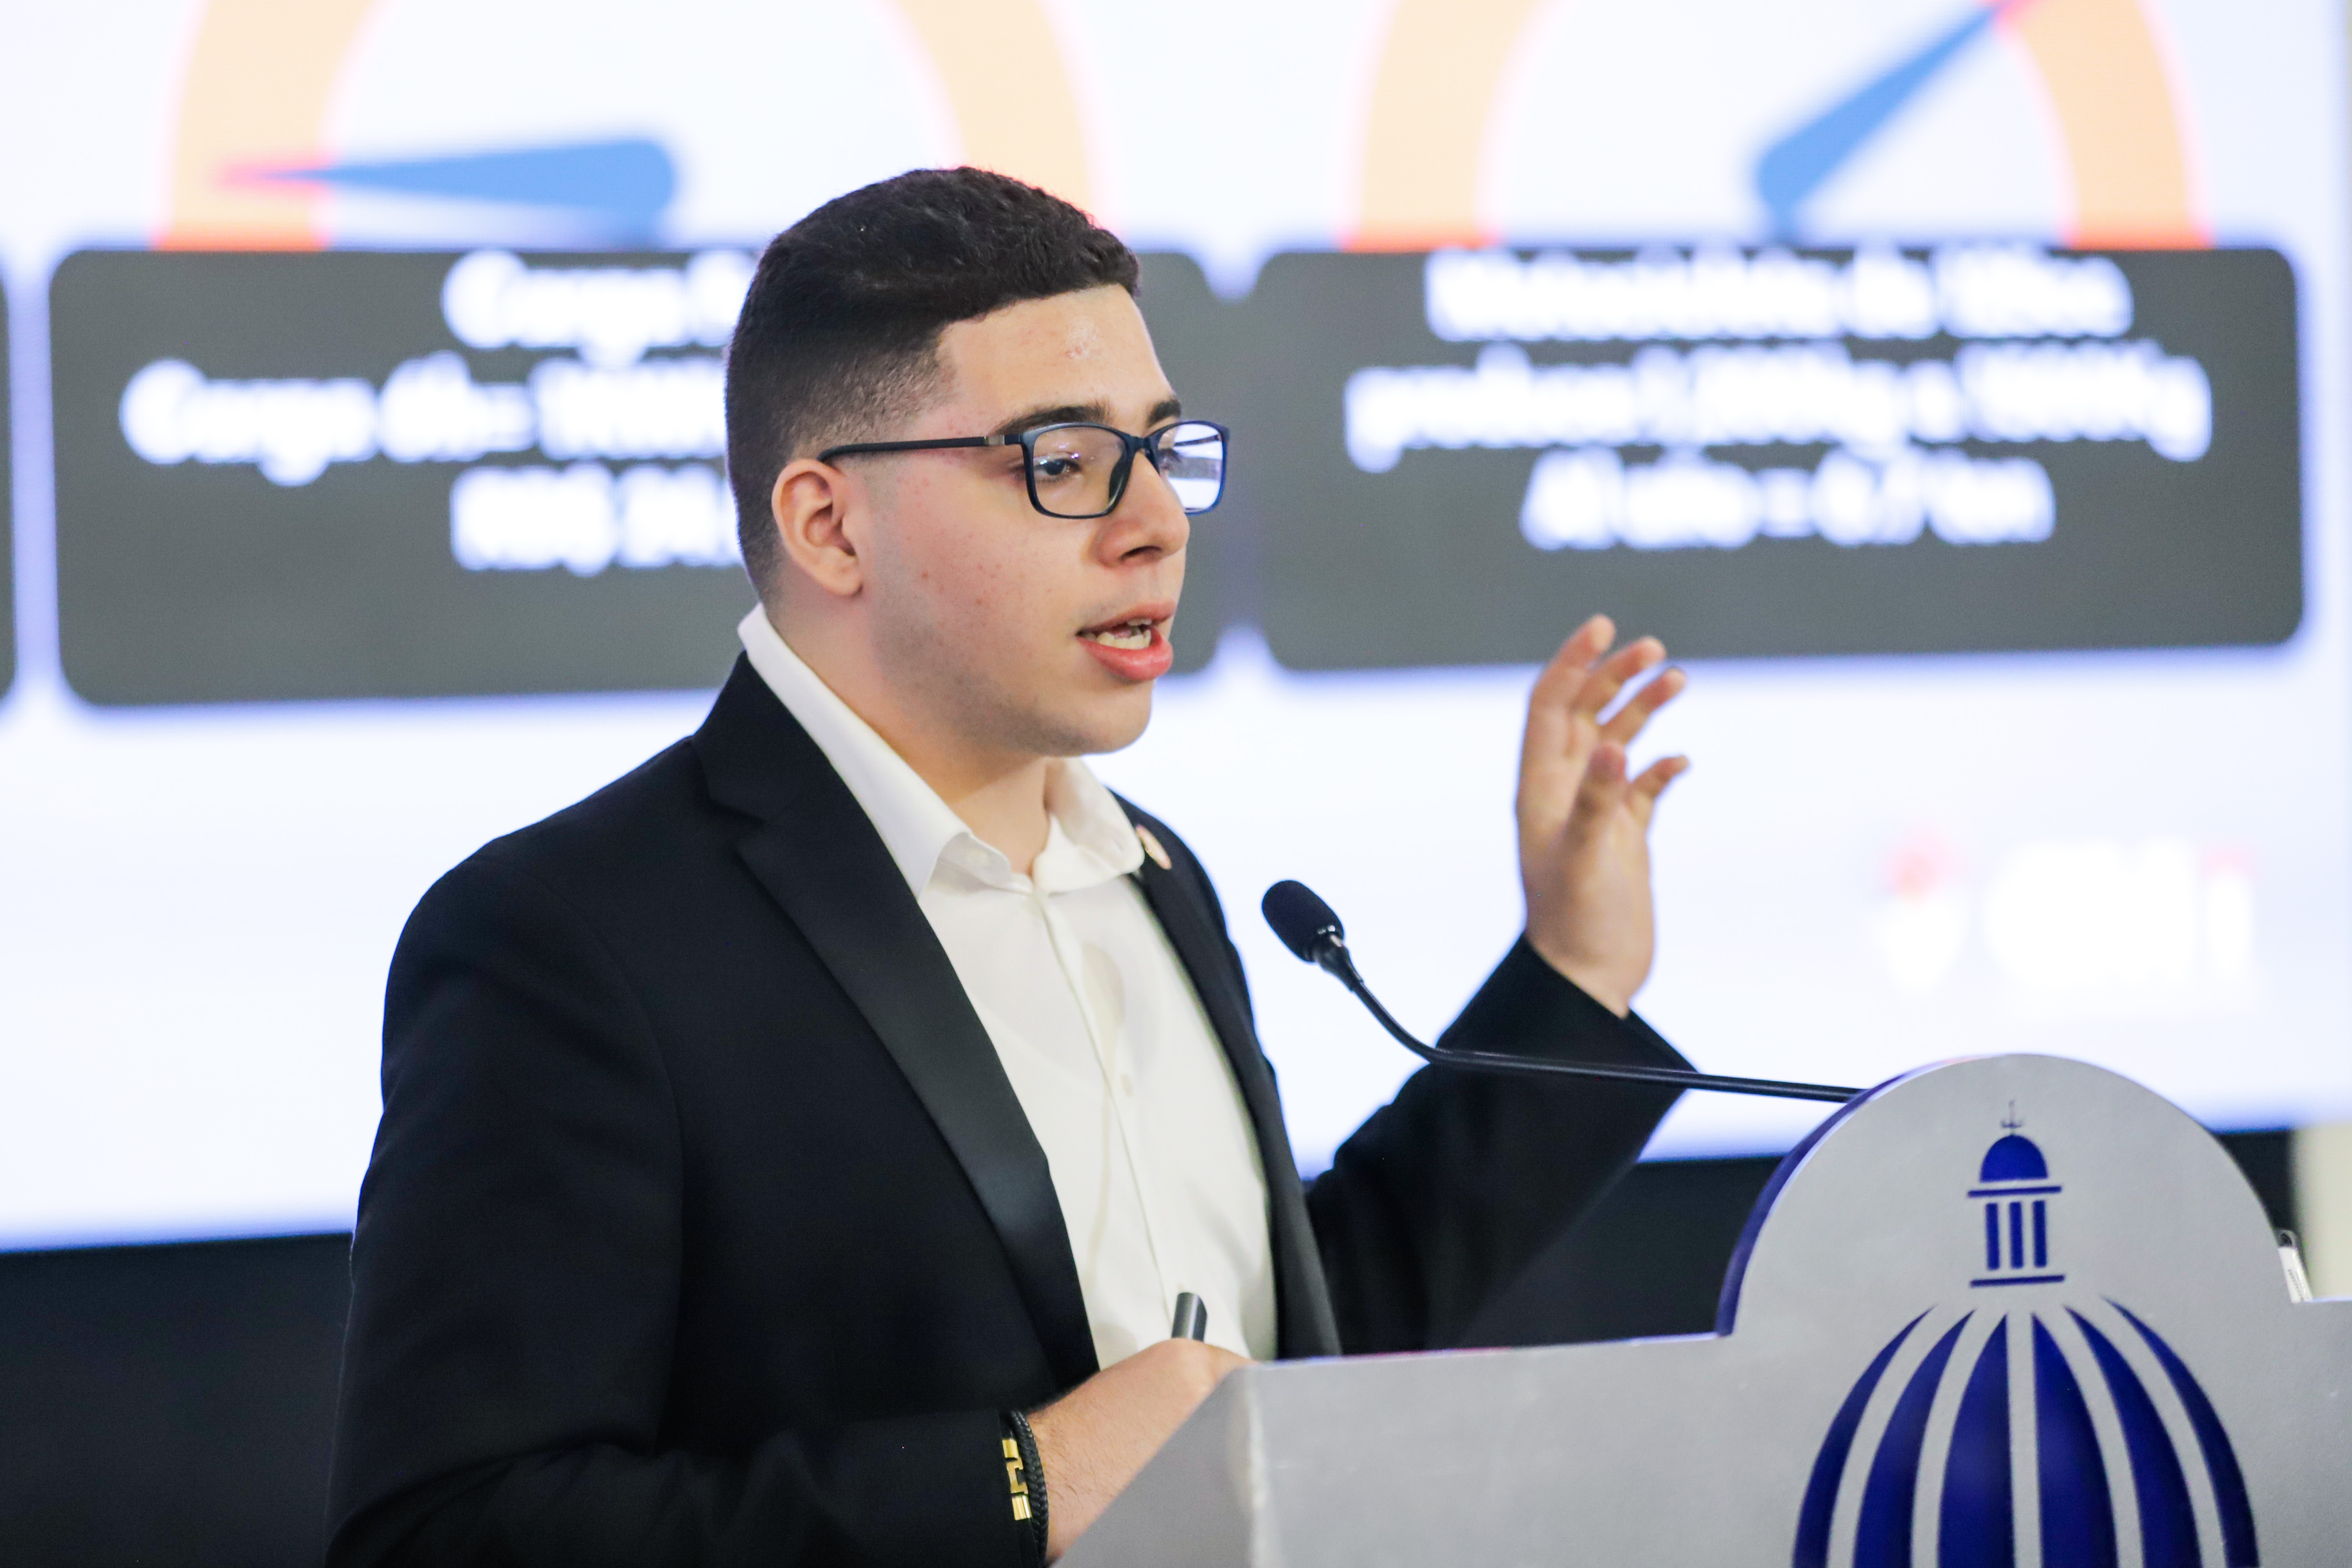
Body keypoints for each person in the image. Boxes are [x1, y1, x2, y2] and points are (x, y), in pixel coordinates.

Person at [325, 167, 1695, 1568]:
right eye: (1064, 458)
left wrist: (1574, 975)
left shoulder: (1157, 878)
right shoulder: (572, 939)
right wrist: (1023, 1479)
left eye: (1160, 448)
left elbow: (1257, 1378)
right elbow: (449, 1533)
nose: (1158, 520)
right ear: (829, 525)